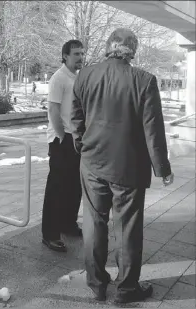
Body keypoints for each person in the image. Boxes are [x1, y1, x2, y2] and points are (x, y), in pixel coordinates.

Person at [70, 28, 174, 303]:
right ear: (133, 50)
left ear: (108, 46)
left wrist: (82, 145)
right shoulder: (144, 80)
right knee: (127, 227)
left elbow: (76, 117)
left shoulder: (85, 74)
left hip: (92, 162)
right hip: (128, 167)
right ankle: (126, 289)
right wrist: (162, 168)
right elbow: (153, 131)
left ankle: (96, 283)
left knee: (93, 223)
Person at [42, 40, 84, 252]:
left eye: (81, 53)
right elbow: (53, 111)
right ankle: (49, 234)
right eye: (76, 53)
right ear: (65, 55)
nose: (80, 57)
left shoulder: (77, 77)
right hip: (62, 139)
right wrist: (62, 137)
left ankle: (68, 224)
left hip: (75, 138)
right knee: (57, 189)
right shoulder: (58, 78)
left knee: (74, 186)